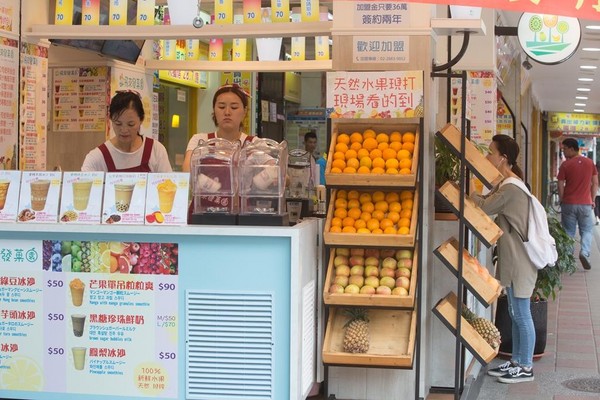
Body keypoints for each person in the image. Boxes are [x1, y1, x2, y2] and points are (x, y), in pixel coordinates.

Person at [470, 134, 536, 384]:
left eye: (490, 152)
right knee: (515, 310)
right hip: (515, 257)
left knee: (521, 312)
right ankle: (518, 361)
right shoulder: (508, 183)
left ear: (502, 159)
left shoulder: (511, 187)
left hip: (520, 259)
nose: (487, 156)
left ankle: (526, 366)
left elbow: (485, 206)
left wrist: (468, 189)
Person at [81, 91, 172, 172]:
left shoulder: (156, 150)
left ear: (141, 119)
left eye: (131, 124)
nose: (124, 130)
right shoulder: (97, 158)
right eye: (118, 124)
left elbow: (168, 186)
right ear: (110, 119)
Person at [182, 84, 254, 173]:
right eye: (221, 107)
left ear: (245, 112)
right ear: (214, 110)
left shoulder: (254, 144)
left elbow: (273, 170)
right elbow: (187, 170)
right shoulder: (200, 140)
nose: (227, 112)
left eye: (234, 107)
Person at [557, 138, 598, 270]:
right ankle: (585, 252)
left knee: (568, 231)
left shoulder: (565, 165)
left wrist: (562, 198)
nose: (563, 152)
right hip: (585, 204)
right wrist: (592, 200)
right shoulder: (590, 163)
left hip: (569, 203)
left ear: (572, 148)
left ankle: (568, 258)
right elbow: (595, 183)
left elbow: (560, 183)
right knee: (586, 230)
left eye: (565, 149)